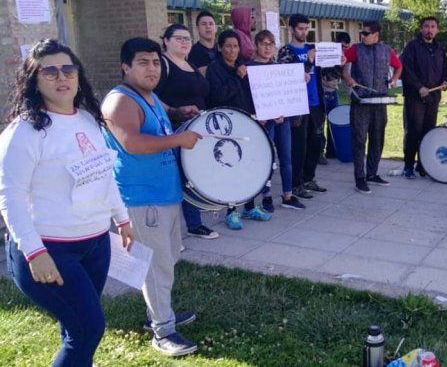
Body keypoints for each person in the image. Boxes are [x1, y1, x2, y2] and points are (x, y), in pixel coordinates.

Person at [0, 39, 135, 366]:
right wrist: (34, 251)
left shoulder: (89, 120)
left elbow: (103, 173)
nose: (61, 77)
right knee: (89, 329)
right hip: (50, 250)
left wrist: (123, 218)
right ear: (33, 80)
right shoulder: (25, 132)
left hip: (95, 244)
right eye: (49, 71)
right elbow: (10, 196)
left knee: (74, 328)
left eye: (67, 68)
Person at [101, 37, 202, 356]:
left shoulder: (148, 96)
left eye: (156, 62)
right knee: (155, 265)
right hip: (141, 198)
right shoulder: (119, 101)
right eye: (143, 62)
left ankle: (158, 313)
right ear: (125, 67)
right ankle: (163, 331)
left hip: (164, 193)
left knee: (166, 258)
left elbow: (159, 117)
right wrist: (178, 139)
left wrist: (178, 112)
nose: (152, 68)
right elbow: (132, 142)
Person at [207, 30, 302, 228]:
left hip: (254, 121)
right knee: (240, 167)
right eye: (228, 46)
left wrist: (278, 110)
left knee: (253, 165)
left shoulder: (243, 67)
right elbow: (219, 97)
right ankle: (233, 210)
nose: (232, 50)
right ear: (220, 48)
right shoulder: (226, 69)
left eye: (235, 46)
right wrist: (257, 115)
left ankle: (250, 207)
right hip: (234, 124)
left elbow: (272, 95)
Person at [153, 24, 218, 239]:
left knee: (191, 174)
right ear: (166, 41)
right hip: (173, 129)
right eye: (179, 38)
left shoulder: (188, 63)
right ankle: (171, 233)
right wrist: (174, 111)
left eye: (188, 39)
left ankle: (194, 223)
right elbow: (150, 97)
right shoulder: (162, 64)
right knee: (176, 179)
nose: (184, 42)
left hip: (194, 129)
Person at [343, 20, 403, 193]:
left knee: (377, 138)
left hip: (380, 101)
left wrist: (393, 80)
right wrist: (348, 78)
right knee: (359, 140)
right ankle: (360, 178)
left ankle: (372, 173)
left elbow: (398, 67)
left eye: (366, 33)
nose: (362, 36)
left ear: (376, 35)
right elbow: (343, 66)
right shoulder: (355, 49)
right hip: (360, 101)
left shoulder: (387, 50)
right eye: (362, 32)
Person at [278, 13, 327, 199]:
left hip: (315, 103)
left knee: (315, 144)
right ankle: (296, 184)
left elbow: (325, 73)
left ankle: (308, 178)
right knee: (299, 147)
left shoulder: (312, 48)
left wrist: (338, 63)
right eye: (300, 28)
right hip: (296, 106)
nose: (304, 32)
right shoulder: (286, 51)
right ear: (291, 29)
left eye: (307, 29)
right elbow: (287, 76)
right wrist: (308, 62)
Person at [399, 16, 447, 179]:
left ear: (437, 30)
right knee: (413, 132)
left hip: (433, 97)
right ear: (421, 29)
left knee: (428, 132)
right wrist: (419, 87)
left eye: (433, 27)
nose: (430, 29)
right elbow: (405, 70)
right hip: (415, 97)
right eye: (426, 26)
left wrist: (445, 81)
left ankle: (423, 165)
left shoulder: (440, 48)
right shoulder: (412, 47)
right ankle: (408, 166)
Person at [319, 31, 351, 162]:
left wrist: (350, 93)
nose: (344, 49)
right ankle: (319, 152)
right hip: (322, 91)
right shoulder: (327, 52)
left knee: (333, 122)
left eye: (346, 47)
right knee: (320, 124)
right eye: (342, 46)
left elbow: (345, 75)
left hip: (333, 91)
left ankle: (332, 151)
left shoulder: (345, 58)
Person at [188, 10, 218, 75]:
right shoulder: (192, 52)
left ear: (216, 28)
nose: (208, 27)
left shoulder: (223, 48)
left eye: (211, 24)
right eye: (204, 24)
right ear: (197, 28)